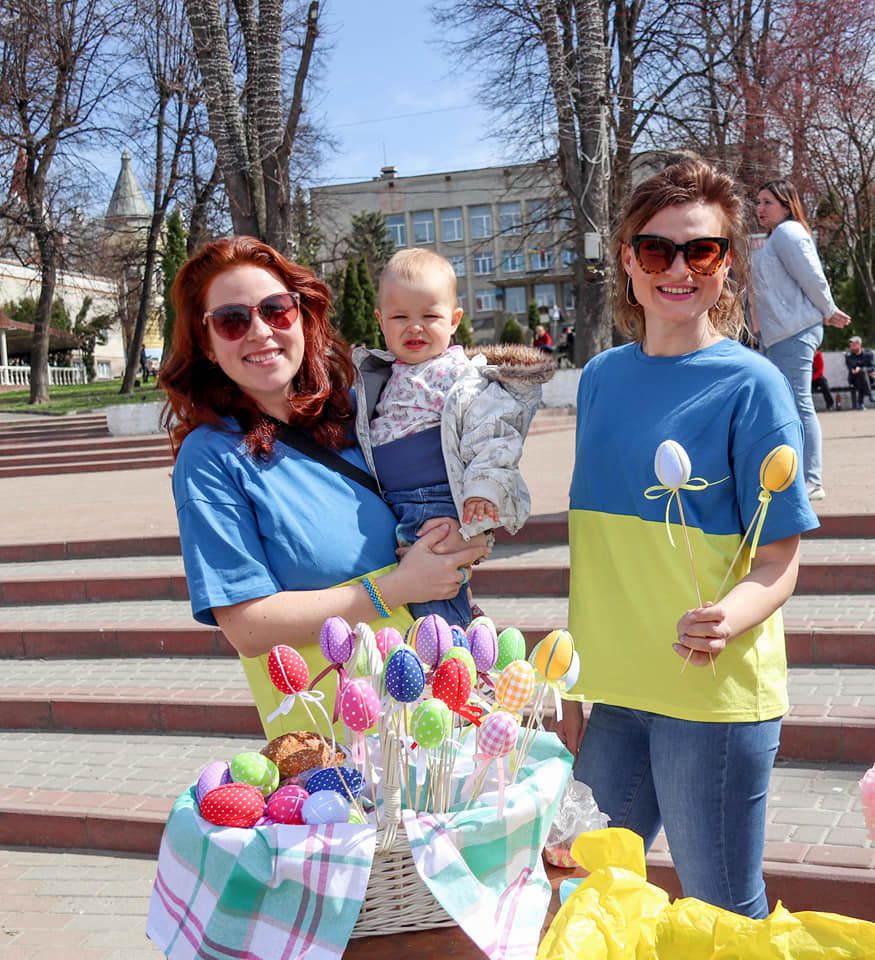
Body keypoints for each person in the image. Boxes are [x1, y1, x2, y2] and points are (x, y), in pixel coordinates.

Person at [555, 158, 819, 919]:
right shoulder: (601, 378)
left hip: (710, 697)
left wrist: (727, 618)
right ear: (627, 263)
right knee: (589, 899)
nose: (677, 268)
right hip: (617, 691)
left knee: (722, 911)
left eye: (699, 250)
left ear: (726, 263)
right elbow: (602, 550)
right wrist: (579, 669)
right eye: (655, 249)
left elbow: (777, 561)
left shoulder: (751, 385)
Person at [159, 237, 487, 737]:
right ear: (206, 343)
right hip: (342, 740)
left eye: (276, 310)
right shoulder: (211, 459)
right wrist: (398, 587)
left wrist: (467, 537)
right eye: (232, 320)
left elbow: (447, 489)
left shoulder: (365, 413)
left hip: (440, 704)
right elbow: (248, 626)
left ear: (301, 317)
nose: (260, 331)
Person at [353, 247, 551, 627]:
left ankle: (450, 657)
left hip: (436, 501)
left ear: (454, 319)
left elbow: (494, 435)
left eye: (429, 315)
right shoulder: (378, 375)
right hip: (392, 500)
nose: (415, 327)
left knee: (433, 587)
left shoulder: (461, 376)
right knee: (413, 588)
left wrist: (481, 489)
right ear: (380, 321)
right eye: (400, 317)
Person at [749, 178, 851, 502]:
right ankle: (793, 475)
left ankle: (811, 479)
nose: (760, 208)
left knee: (799, 404)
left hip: (794, 332)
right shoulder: (776, 237)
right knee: (785, 406)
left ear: (786, 204)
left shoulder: (789, 233)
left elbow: (812, 274)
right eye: (758, 202)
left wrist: (829, 309)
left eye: (767, 202)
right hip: (779, 335)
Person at [845, 335, 874, 410]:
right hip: (854, 379)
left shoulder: (869, 354)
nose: (852, 347)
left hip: (869, 378)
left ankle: (860, 403)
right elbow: (851, 368)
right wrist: (857, 370)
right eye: (851, 346)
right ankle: (870, 395)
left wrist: (863, 369)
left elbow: (872, 367)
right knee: (861, 374)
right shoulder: (849, 356)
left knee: (862, 373)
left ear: (859, 345)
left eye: (854, 345)